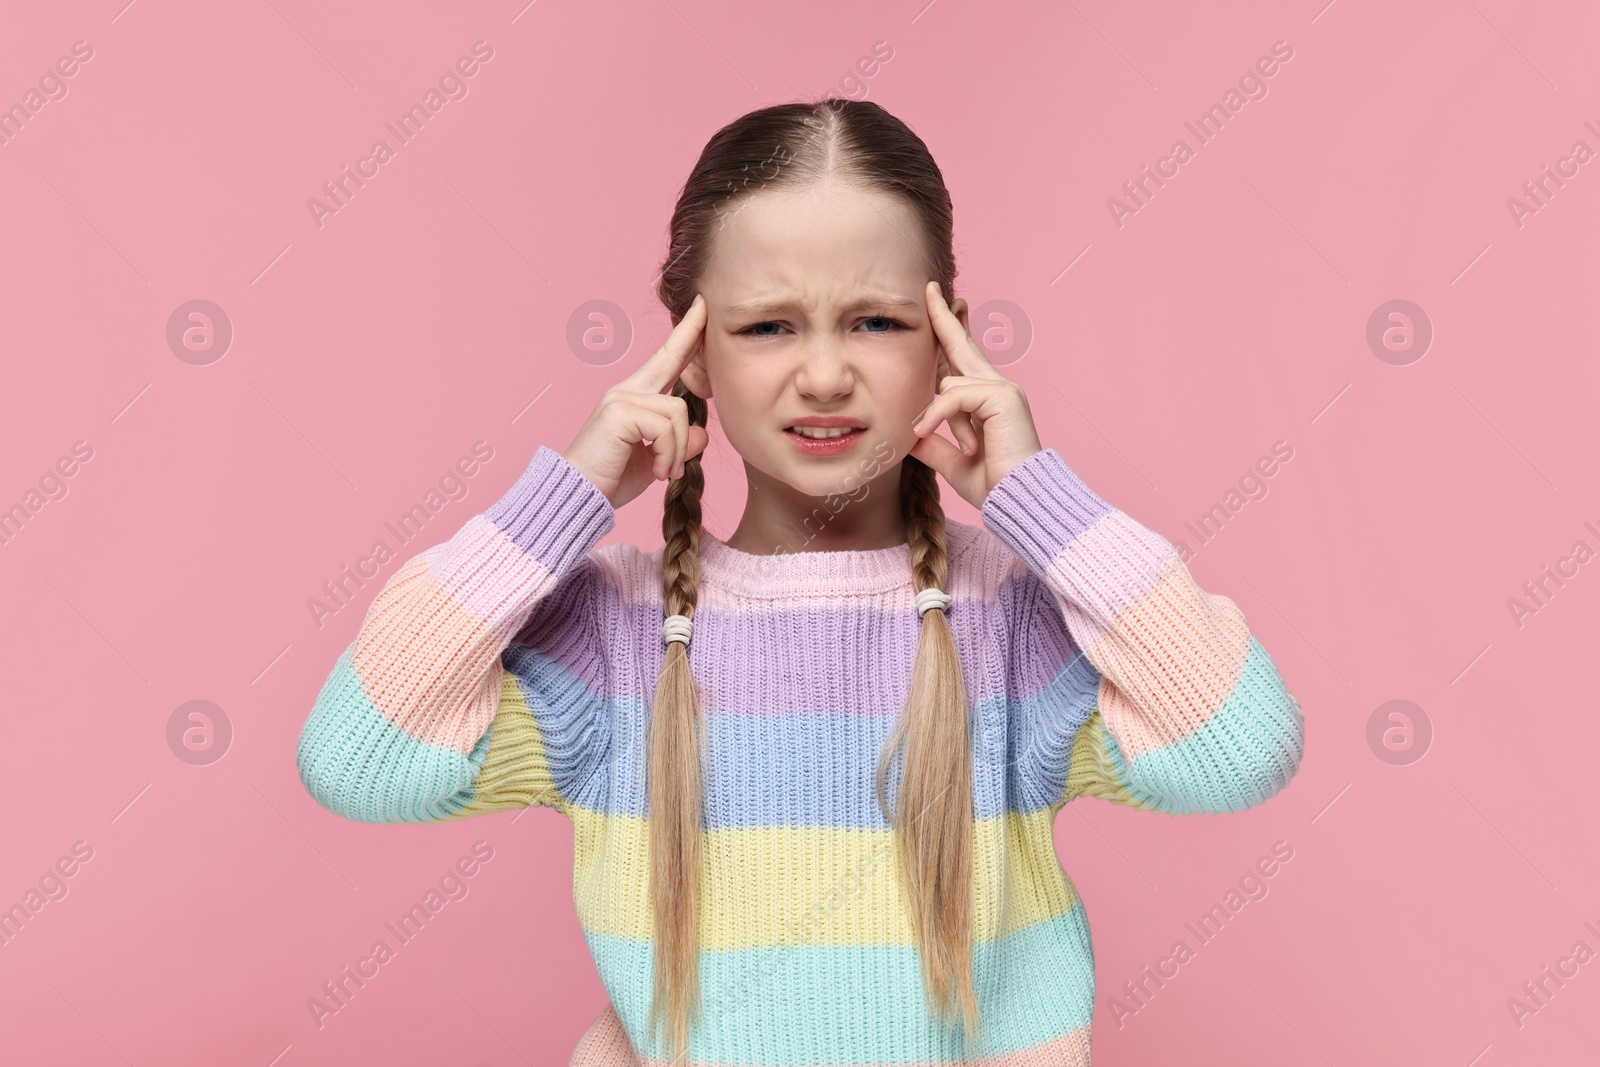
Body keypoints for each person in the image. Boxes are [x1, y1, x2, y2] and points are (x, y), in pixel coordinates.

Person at [295, 98, 1304, 1066]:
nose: (824, 374)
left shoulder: (1012, 617)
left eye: (873, 321)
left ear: (950, 336)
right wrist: (563, 497)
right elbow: (362, 757)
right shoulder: (616, 637)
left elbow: (1236, 748)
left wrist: (1042, 502)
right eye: (768, 326)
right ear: (689, 356)